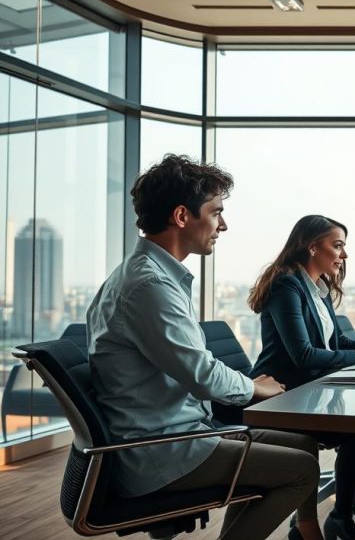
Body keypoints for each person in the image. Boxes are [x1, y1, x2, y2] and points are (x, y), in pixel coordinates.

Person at [87, 155, 322, 540]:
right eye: (216, 213)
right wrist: (255, 387)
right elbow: (201, 375)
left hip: (187, 432)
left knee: (303, 445)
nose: (223, 225)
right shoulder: (150, 287)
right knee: (301, 470)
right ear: (182, 216)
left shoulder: (149, 276)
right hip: (165, 451)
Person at [248, 215, 355, 540]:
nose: (344, 254)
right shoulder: (287, 285)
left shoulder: (320, 288)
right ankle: (339, 517)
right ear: (312, 247)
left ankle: (346, 505)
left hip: (313, 390)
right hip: (282, 397)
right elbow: (304, 355)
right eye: (337, 245)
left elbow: (333, 342)